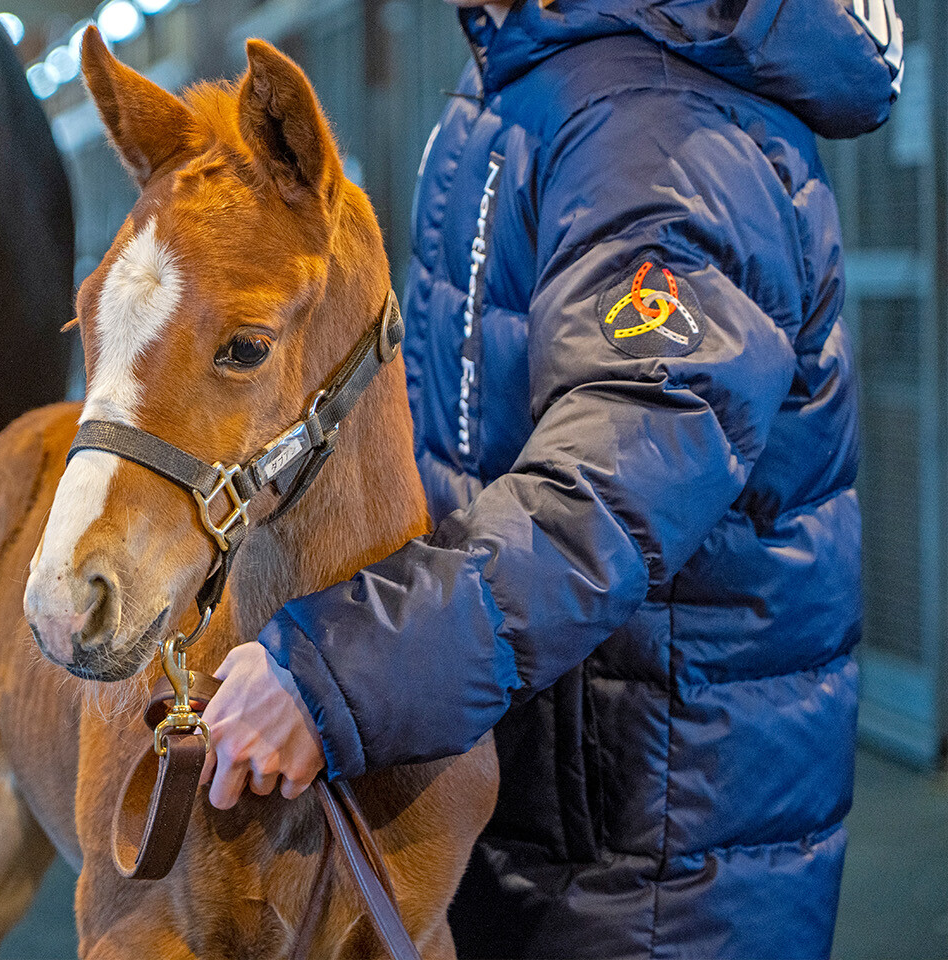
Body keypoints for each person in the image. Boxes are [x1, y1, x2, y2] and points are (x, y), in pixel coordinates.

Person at [198, 0, 904, 956]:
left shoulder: (655, 129)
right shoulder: (526, 83)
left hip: (653, 851)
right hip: (546, 779)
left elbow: (608, 494)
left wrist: (340, 670)